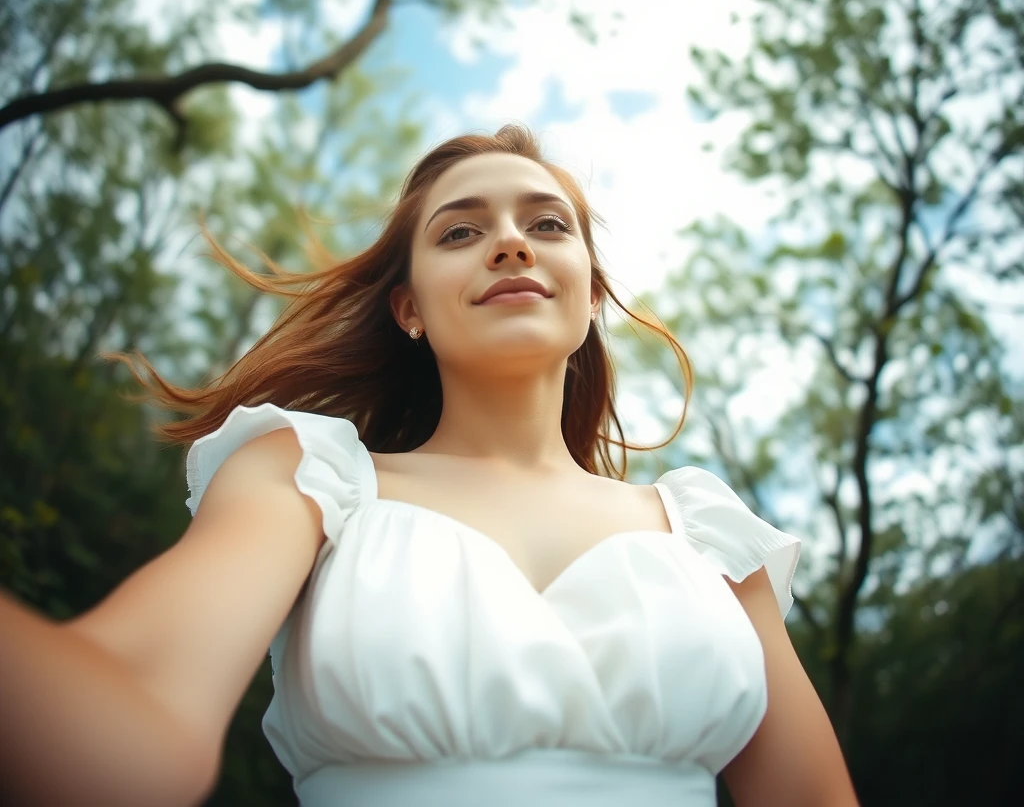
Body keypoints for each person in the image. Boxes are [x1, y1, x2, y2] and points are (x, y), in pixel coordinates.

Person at [0, 125, 860, 806]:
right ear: (408, 308)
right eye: (461, 231)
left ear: (590, 291)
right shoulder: (306, 479)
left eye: (547, 223)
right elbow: (137, 713)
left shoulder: (703, 532)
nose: (512, 243)